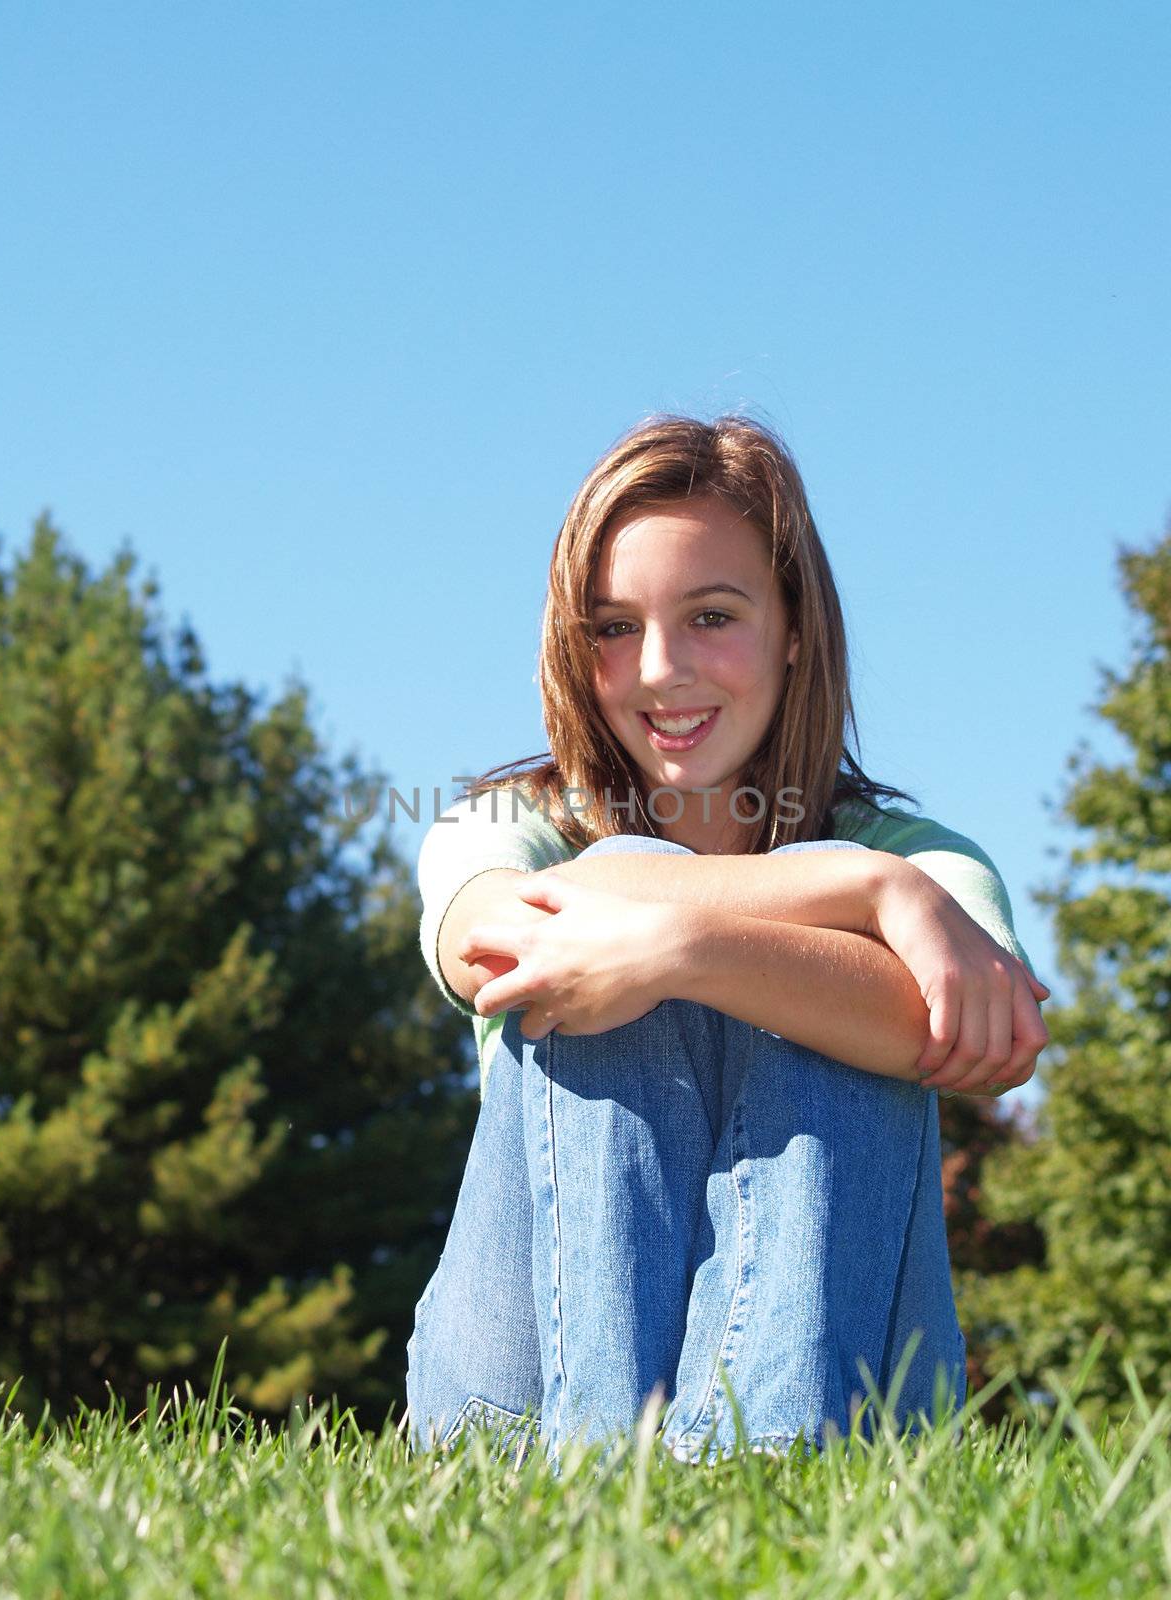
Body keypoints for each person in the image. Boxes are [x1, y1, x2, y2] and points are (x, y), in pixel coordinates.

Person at [405, 414, 1050, 1468]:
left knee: (805, 975)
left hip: (842, 1389)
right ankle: (599, 1471)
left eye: (711, 615)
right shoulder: (500, 827)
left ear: (795, 625)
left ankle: (748, 1464)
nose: (661, 669)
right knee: (617, 879)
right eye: (612, 627)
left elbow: (975, 1032)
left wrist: (687, 952)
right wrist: (863, 888)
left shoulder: (932, 861)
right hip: (521, 1398)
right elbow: (524, 938)